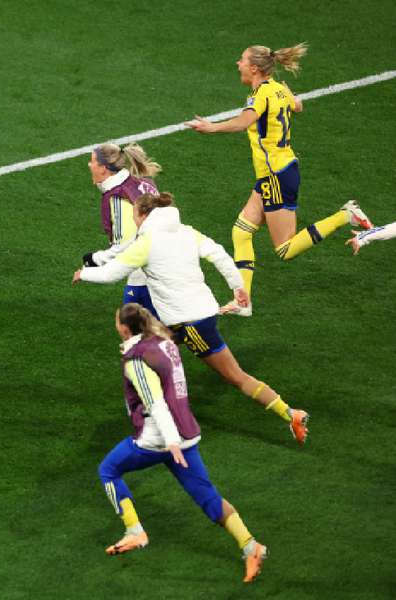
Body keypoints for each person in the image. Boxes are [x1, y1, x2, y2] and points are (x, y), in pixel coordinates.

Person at [73, 192, 309, 444]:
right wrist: (237, 286)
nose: (136, 223)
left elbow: (111, 273)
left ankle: (290, 413)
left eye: (135, 217)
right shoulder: (186, 232)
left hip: (189, 323)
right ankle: (154, 413)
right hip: (195, 316)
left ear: (144, 215)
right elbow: (218, 253)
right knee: (144, 354)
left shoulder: (147, 243)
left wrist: (83, 274)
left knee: (235, 376)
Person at [185, 43, 373, 316]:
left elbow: (242, 122)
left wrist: (210, 127)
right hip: (277, 172)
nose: (237, 64)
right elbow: (298, 106)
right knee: (241, 231)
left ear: (254, 68)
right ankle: (243, 301)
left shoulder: (260, 94)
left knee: (284, 249)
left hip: (275, 176)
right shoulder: (277, 88)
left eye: (242, 60)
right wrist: (288, 96)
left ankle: (346, 215)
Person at [99, 303, 267, 583]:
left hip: (159, 439)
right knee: (207, 495)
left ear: (125, 329)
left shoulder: (137, 361)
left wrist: (170, 442)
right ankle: (251, 546)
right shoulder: (165, 344)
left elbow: (156, 404)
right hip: (186, 432)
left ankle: (134, 531)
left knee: (108, 470)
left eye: (117, 322)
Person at [80, 143, 160, 315]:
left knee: (137, 329)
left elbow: (127, 245)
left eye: (92, 161)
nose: (89, 164)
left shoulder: (117, 197)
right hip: (167, 259)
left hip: (148, 271)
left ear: (103, 169)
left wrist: (95, 259)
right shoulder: (140, 181)